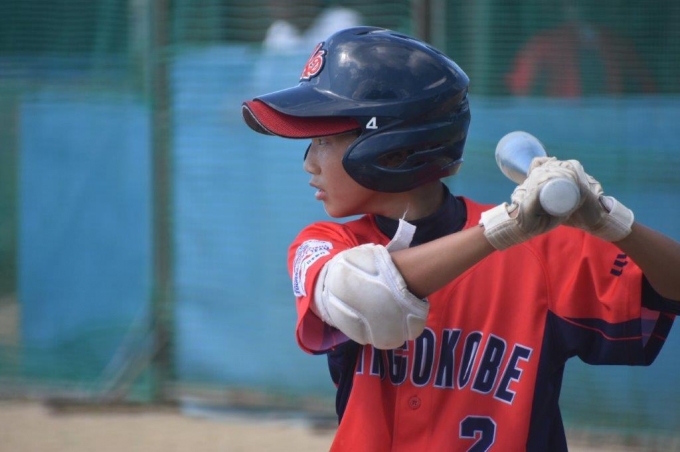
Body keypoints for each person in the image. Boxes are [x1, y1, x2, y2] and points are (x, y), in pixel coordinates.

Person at [241, 27, 680, 451]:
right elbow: (367, 294)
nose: (309, 163)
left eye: (323, 140)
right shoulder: (325, 244)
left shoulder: (539, 250)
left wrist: (612, 223)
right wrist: (504, 228)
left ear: (393, 148)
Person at [505, 3, 657, 97]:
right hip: (561, 122)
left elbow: (646, 88)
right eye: (573, 3)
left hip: (610, 121)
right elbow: (520, 89)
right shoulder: (544, 44)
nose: (582, 6)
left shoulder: (617, 44)